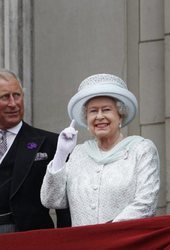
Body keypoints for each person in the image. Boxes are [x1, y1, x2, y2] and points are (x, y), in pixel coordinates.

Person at [41, 73, 160, 226]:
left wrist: (105, 234)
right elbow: (51, 199)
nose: (99, 116)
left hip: (125, 242)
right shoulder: (78, 154)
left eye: (106, 109)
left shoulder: (141, 150)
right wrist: (61, 154)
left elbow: (146, 203)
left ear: (120, 115)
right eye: (93, 111)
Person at [0, 69, 71, 233]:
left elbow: (64, 207)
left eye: (17, 95)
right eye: (5, 97)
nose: (13, 103)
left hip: (31, 238)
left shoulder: (52, 143)